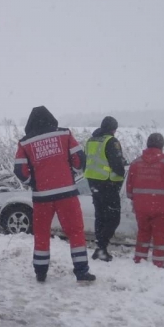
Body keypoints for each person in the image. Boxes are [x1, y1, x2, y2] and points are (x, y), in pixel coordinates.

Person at [14, 105, 95, 283]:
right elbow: (80, 159)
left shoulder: (25, 143)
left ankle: (41, 272)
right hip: (67, 194)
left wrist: (33, 183)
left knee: (41, 233)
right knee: (75, 232)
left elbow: (20, 170)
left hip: (42, 197)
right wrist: (71, 172)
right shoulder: (64, 134)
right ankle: (81, 272)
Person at [126, 133, 164, 268]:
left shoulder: (136, 163)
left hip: (141, 206)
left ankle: (139, 258)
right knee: (160, 234)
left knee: (143, 232)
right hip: (161, 206)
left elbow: (129, 186)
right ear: (162, 145)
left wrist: (133, 199)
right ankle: (158, 261)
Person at [84, 116, 126, 261]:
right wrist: (122, 171)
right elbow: (117, 164)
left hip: (93, 184)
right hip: (108, 184)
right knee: (114, 218)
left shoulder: (91, 141)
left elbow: (88, 161)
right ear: (113, 129)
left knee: (100, 216)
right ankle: (101, 247)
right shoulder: (111, 141)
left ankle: (100, 247)